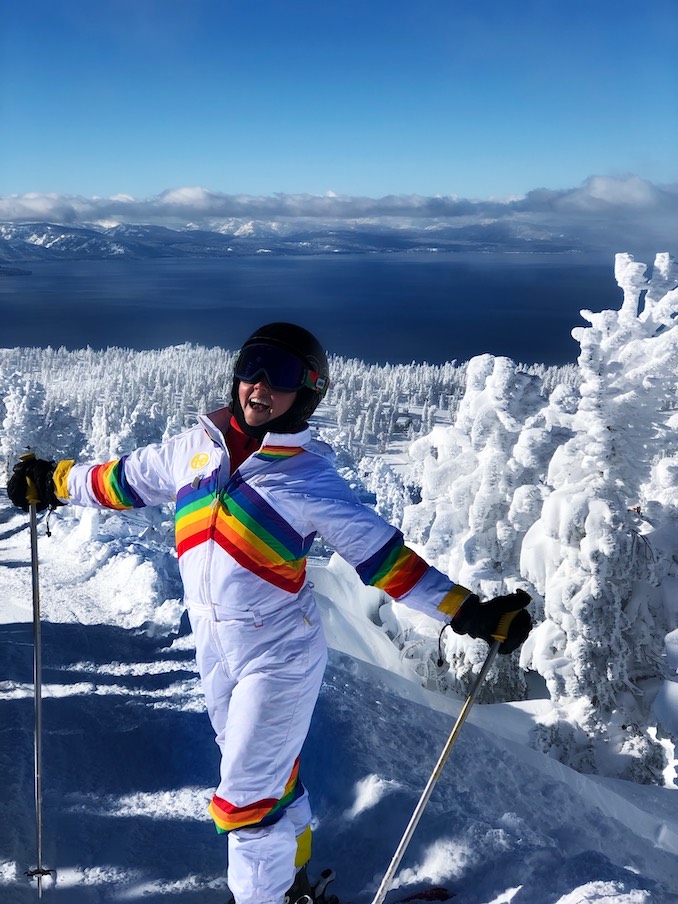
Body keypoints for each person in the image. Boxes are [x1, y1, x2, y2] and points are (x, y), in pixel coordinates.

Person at [8, 322, 531, 904]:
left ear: (307, 391)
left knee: (246, 795)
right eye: (251, 365)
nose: (258, 385)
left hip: (279, 654)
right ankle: (295, 886)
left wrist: (468, 612)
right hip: (215, 649)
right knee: (269, 780)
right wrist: (55, 481)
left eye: (278, 375)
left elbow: (385, 560)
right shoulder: (195, 450)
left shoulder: (307, 478)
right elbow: (123, 481)